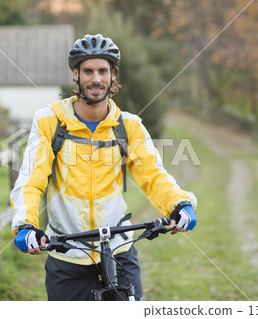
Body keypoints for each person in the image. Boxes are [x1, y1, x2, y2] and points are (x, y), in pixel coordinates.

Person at [10, 34, 197, 301]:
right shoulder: (49, 122)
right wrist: (26, 225)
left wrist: (179, 204)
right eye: (88, 71)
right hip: (67, 254)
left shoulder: (128, 125)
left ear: (113, 75)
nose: (95, 79)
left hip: (119, 250)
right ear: (75, 75)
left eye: (102, 71)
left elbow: (152, 173)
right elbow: (31, 179)